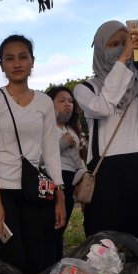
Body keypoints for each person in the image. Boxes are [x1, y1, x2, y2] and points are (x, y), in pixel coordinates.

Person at [73, 20, 138, 274]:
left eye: (125, 42)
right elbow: (103, 106)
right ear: (98, 49)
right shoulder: (85, 89)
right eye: (114, 44)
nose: (120, 49)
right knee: (106, 241)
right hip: (107, 171)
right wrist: (126, 57)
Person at [0, 35, 65, 274]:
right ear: (2, 66)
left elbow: (50, 151)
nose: (17, 63)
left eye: (22, 57)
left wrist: (59, 195)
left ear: (32, 62)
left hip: (37, 188)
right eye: (9, 59)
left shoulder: (44, 102)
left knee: (40, 257)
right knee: (11, 259)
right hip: (2, 188)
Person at [46, 85, 87, 260]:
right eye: (61, 100)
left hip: (70, 179)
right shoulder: (44, 127)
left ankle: (57, 263)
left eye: (70, 101)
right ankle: (48, 267)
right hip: (52, 178)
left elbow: (78, 159)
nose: (67, 104)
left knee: (61, 226)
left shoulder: (72, 128)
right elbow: (39, 157)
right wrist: (62, 143)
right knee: (51, 225)